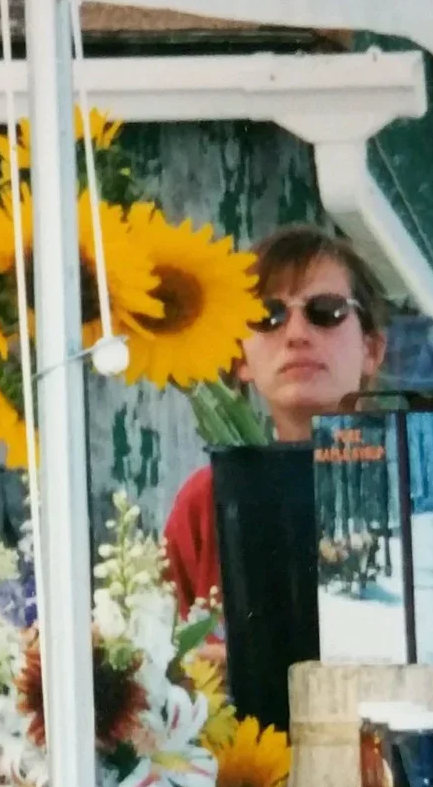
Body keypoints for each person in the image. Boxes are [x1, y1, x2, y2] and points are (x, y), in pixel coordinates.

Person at [164, 225, 390, 611]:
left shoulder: (422, 492)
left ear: (371, 348)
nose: (297, 334)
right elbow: (158, 658)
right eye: (268, 316)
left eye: (326, 311)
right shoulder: (208, 502)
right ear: (240, 359)